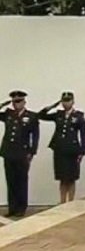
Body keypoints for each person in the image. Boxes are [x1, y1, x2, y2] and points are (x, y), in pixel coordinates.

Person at [38, 92, 85, 204]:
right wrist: (52, 106)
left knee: (72, 177)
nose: (66, 103)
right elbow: (41, 115)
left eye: (68, 101)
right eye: (64, 101)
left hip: (72, 150)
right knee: (62, 177)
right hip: (59, 149)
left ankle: (71, 201)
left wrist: (82, 152)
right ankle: (62, 201)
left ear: (73, 101)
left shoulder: (78, 116)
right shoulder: (58, 115)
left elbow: (83, 135)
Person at [0, 90, 39, 218]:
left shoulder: (31, 116)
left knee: (21, 180)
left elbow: (35, 136)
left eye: (18, 101)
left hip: (22, 153)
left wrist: (32, 152)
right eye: (14, 102)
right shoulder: (8, 115)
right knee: (10, 181)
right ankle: (12, 207)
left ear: (24, 102)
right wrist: (3, 104)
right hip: (8, 152)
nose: (16, 104)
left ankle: (21, 207)